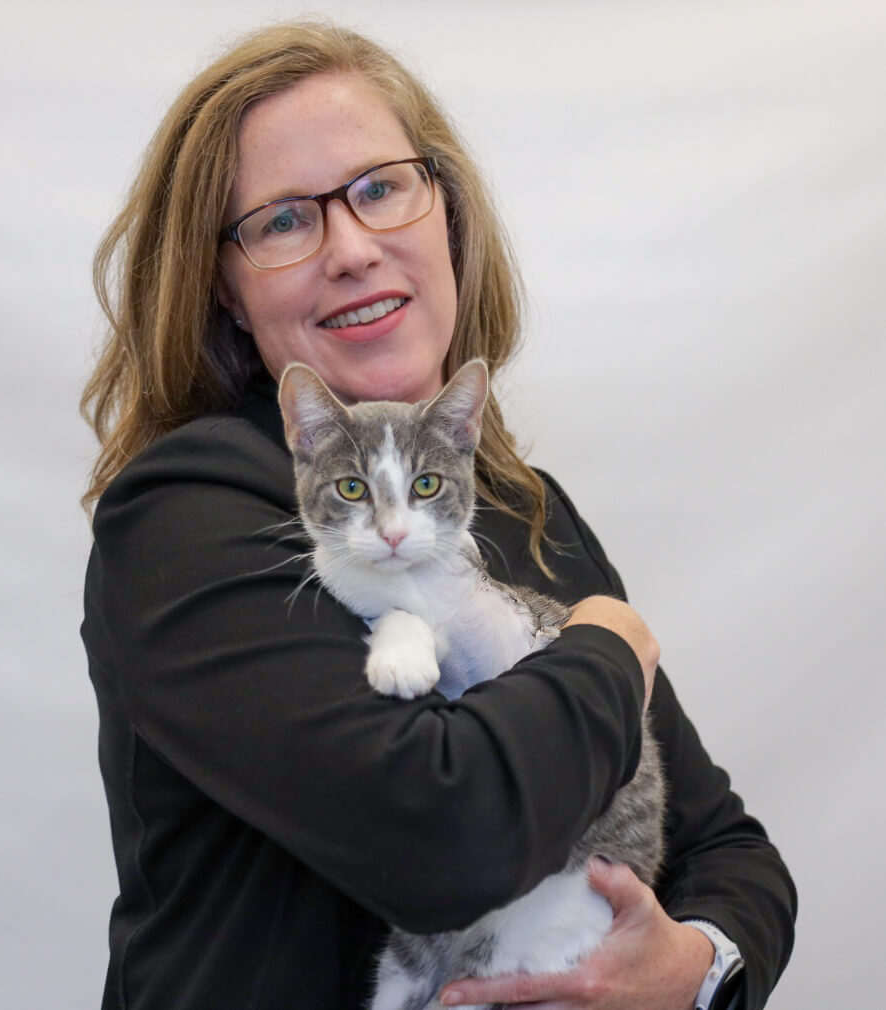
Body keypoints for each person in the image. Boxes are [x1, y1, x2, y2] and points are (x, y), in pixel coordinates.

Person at [80, 19, 796, 1010]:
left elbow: (724, 846)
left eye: (380, 188)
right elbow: (441, 834)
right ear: (225, 288)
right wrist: (607, 644)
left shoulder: (531, 514)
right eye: (284, 220)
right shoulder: (186, 508)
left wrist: (692, 966)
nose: (352, 248)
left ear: (445, 214)